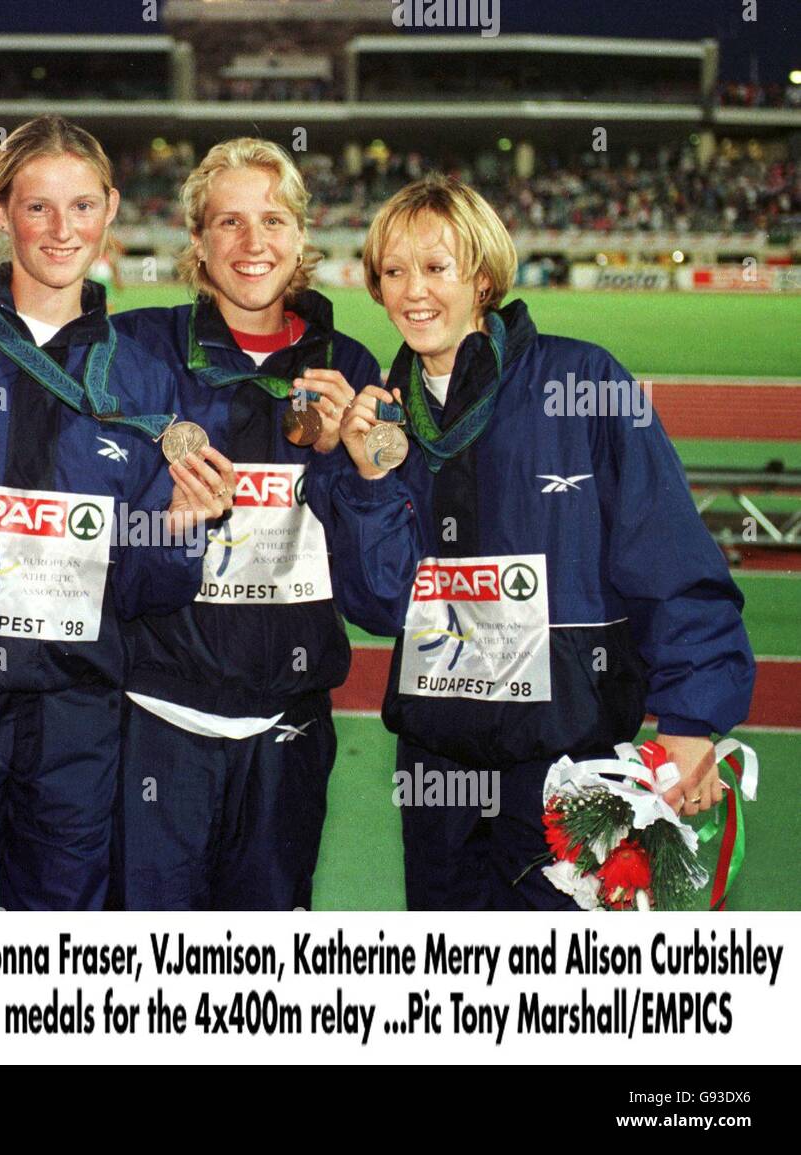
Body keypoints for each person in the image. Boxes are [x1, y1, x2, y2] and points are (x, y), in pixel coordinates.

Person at [306, 174, 755, 910]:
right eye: (393, 271)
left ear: (481, 277)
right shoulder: (382, 419)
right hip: (440, 765)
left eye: (436, 267)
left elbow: (668, 551)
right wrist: (366, 480)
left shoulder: (581, 381)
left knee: (563, 999)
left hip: (568, 759)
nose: (414, 291)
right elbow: (385, 606)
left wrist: (692, 715)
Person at [0, 116, 235, 911]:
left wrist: (180, 523)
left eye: (80, 206)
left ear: (109, 209)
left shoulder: (143, 381)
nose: (60, 229)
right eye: (37, 207)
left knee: (61, 949)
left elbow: (145, 586)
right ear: (0, 213)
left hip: (76, 711)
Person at [110, 138, 382, 910]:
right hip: (156, 722)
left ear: (301, 236)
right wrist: (171, 527)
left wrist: (346, 467)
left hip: (288, 731)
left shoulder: (351, 366)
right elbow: (99, 563)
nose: (252, 243)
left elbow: (380, 596)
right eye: (228, 223)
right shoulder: (139, 354)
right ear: (196, 242)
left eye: (271, 220)